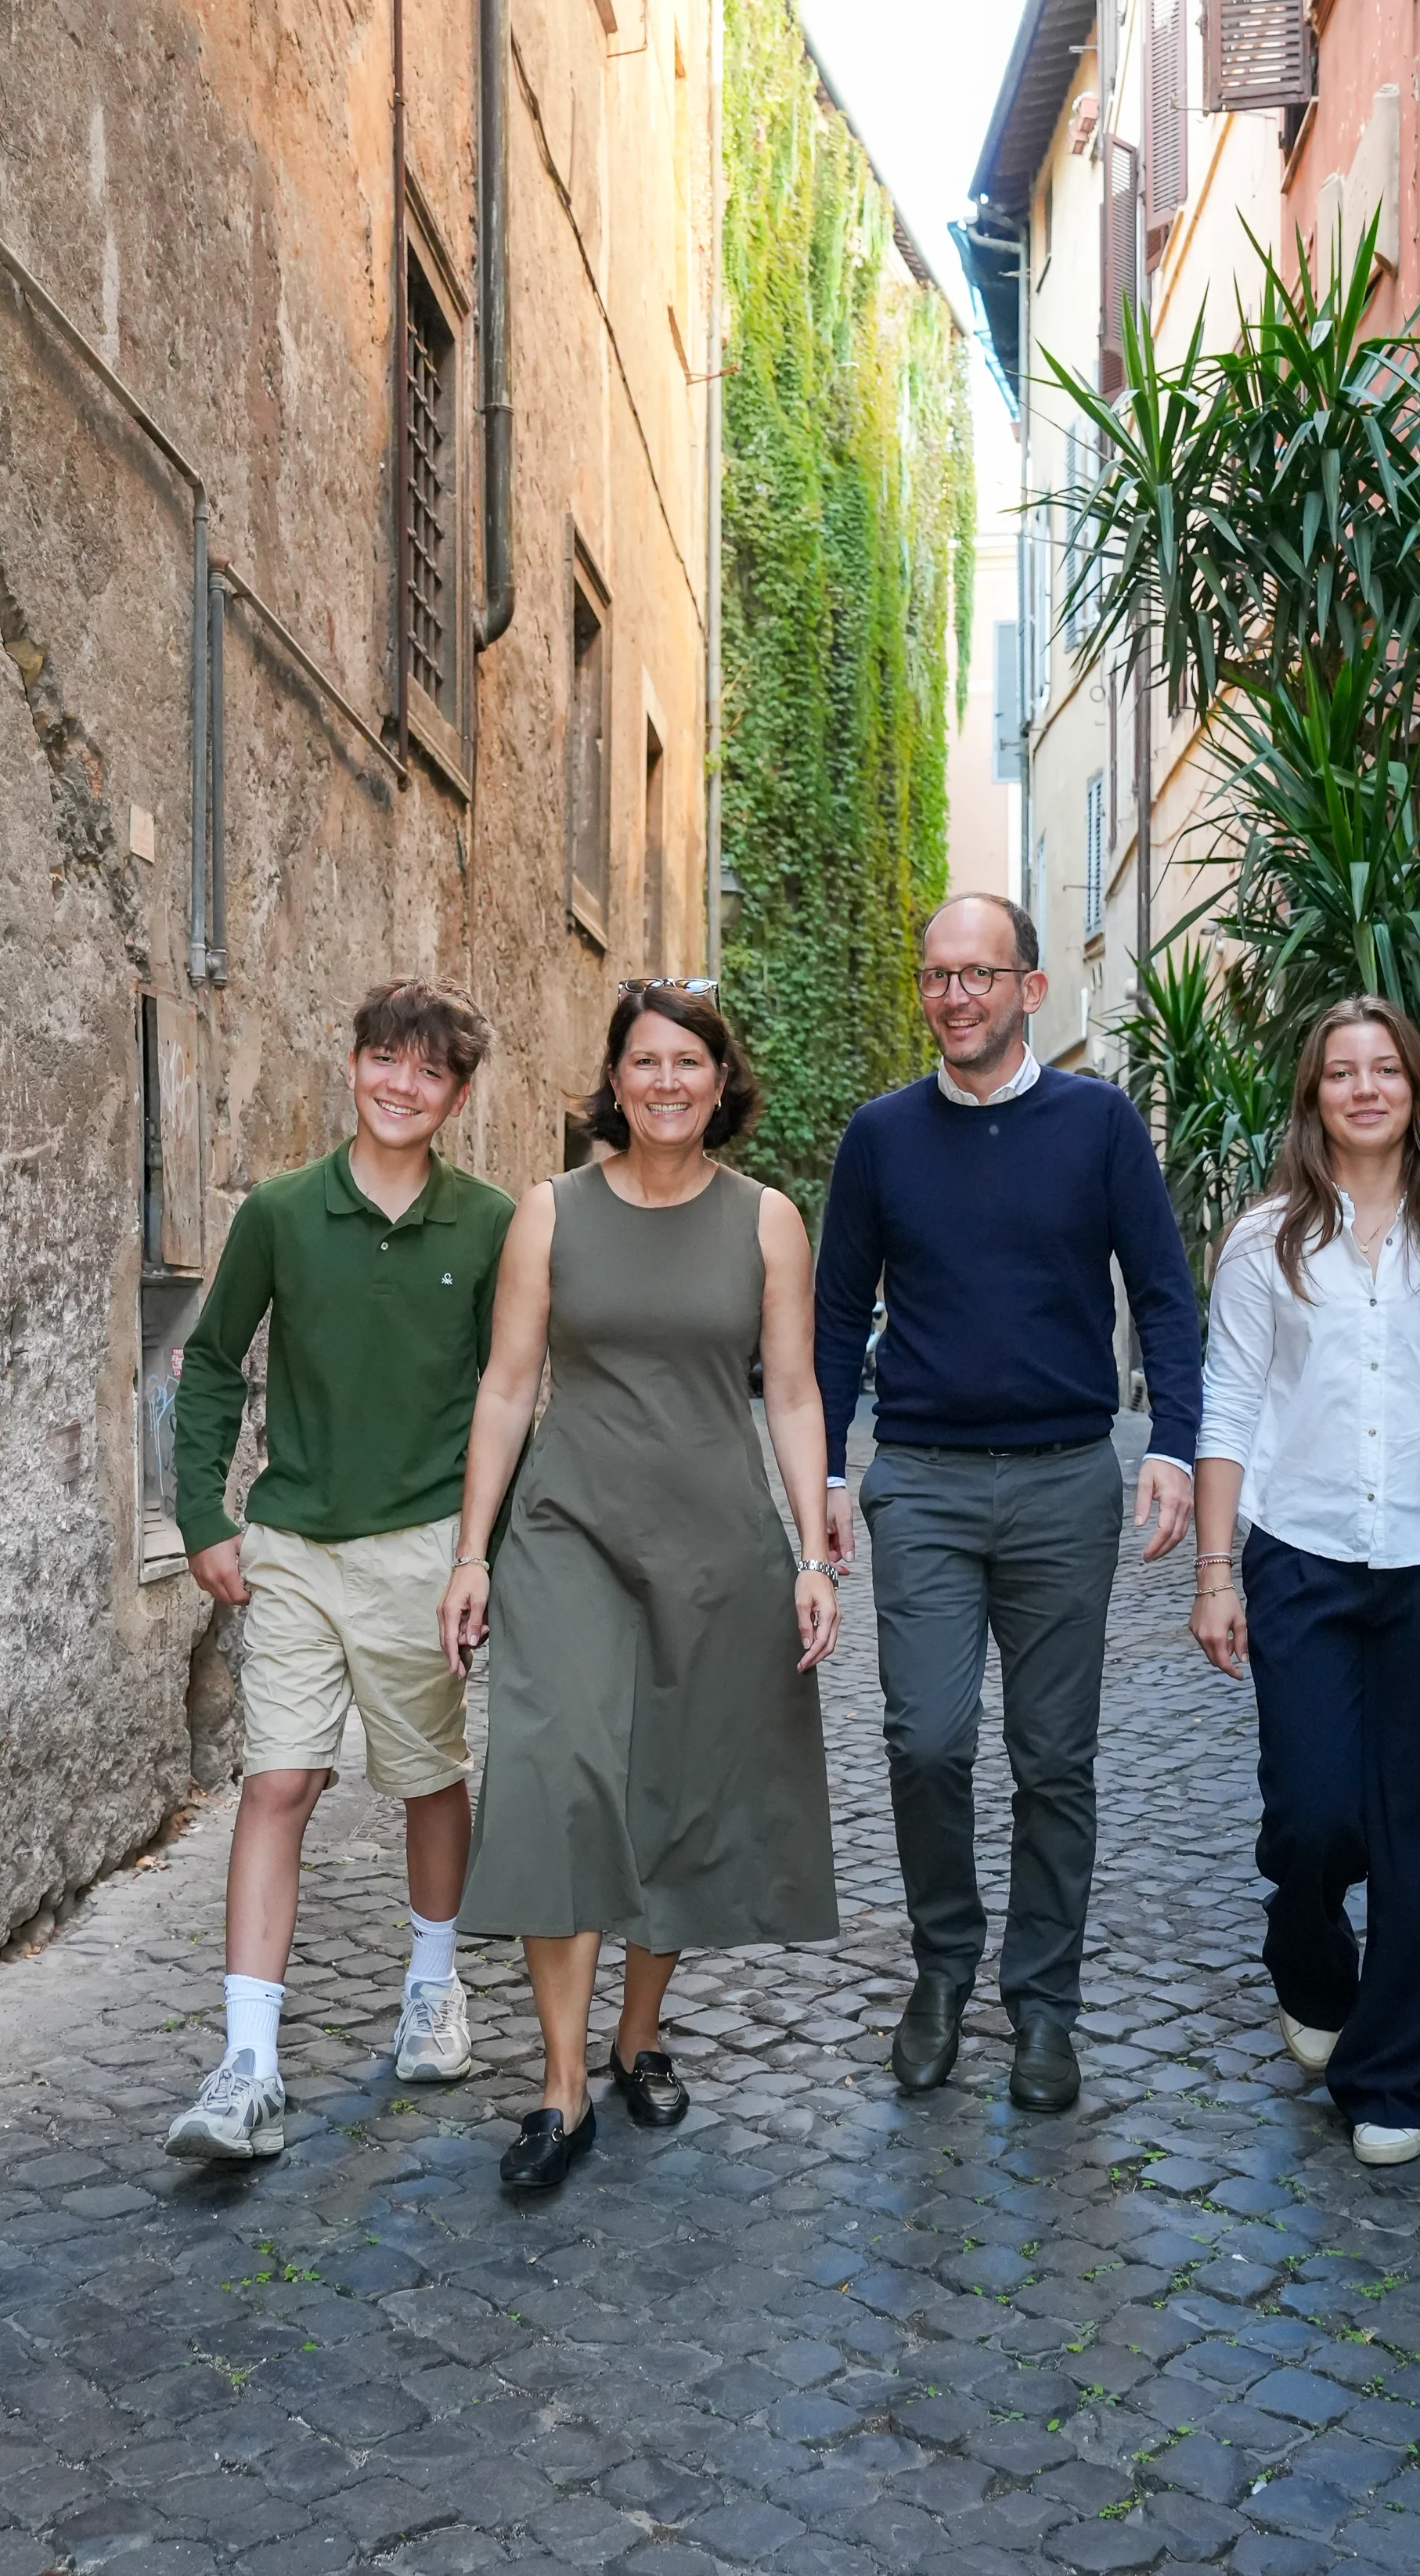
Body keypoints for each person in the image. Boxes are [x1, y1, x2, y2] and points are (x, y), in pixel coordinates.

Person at [443, 982, 840, 2192]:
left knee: (678, 1789)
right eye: (644, 1063)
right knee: (560, 1777)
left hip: (718, 1544)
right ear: (612, 1082)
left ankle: (638, 2033)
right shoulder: (548, 1214)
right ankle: (562, 2088)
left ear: (720, 1085)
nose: (666, 1083)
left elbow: (791, 1391)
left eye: (689, 1063)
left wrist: (814, 1555)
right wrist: (472, 1549)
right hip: (567, 1533)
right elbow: (509, 1386)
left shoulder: (768, 1220)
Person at [815, 895, 1202, 2113]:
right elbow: (832, 1315)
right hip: (920, 1480)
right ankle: (940, 1969)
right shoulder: (880, 1137)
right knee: (922, 1741)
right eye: (936, 977)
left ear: (1029, 988)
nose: (955, 997)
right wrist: (828, 1470)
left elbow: (1163, 1292)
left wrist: (1176, 1448)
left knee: (1054, 1759)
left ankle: (1043, 2004)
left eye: (979, 976)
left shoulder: (1096, 1126)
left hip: (1062, 1480)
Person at [164, 978, 512, 2163]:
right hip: (294, 1543)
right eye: (385, 1062)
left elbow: (506, 1400)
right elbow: (214, 1364)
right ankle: (247, 2067)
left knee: (426, 1778)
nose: (401, 1088)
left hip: (421, 1544)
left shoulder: (491, 1224)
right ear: (352, 1063)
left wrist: (481, 1552)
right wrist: (203, 1514)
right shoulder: (277, 1212)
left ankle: (431, 1985)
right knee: (278, 1784)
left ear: (456, 1096)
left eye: (429, 1073)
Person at [1189, 994, 1420, 2169]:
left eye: (1384, 1069)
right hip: (1300, 1555)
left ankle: (1387, 2072)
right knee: (1313, 1811)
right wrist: (1213, 1572)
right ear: (1314, 1097)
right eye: (1340, 1072)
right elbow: (1228, 1406)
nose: (1364, 1089)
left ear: (1414, 1089)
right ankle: (1307, 1953)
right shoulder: (1264, 1238)